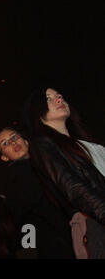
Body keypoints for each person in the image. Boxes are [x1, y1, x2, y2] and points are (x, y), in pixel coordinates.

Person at [22, 86, 105, 258]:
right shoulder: (42, 146)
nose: (59, 99)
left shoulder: (84, 144)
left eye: (59, 96)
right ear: (37, 112)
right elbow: (73, 188)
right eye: (48, 98)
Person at [0, 127, 74, 258]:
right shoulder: (18, 179)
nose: (13, 143)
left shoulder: (45, 163)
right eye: (5, 143)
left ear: (26, 141)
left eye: (14, 137)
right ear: (4, 157)